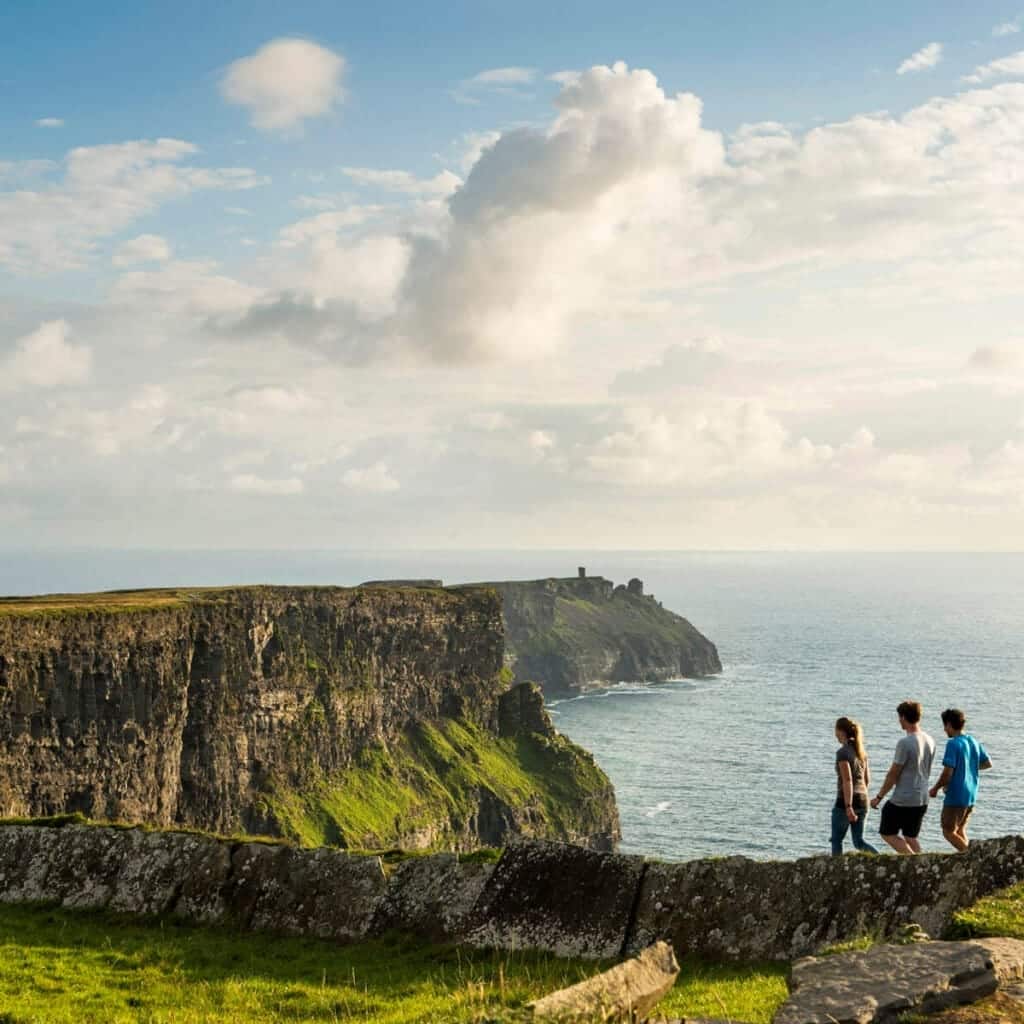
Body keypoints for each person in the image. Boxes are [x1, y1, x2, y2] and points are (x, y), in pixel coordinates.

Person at [870, 700, 935, 854]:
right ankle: (922, 864)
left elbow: (893, 774)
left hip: (904, 797)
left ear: (904, 717)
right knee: (910, 836)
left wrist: (879, 797)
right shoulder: (930, 739)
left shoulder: (905, 743)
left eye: (899, 717)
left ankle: (912, 861)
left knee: (887, 832)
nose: (899, 720)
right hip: (922, 797)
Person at [929, 708, 992, 852]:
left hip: (956, 795)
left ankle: (972, 859)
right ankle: (972, 856)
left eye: (945, 726)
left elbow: (947, 773)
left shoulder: (953, 744)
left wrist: (935, 788)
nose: (944, 730)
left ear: (949, 725)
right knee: (959, 830)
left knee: (948, 830)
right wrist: (969, 768)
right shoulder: (973, 741)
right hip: (971, 794)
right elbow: (988, 763)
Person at [831, 716, 879, 855]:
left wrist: (848, 806)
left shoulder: (842, 753)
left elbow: (847, 780)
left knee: (836, 840)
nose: (835, 735)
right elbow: (866, 780)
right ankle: (880, 860)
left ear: (841, 732)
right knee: (859, 841)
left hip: (846, 800)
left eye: (836, 731)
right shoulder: (862, 753)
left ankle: (836, 871)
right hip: (863, 799)